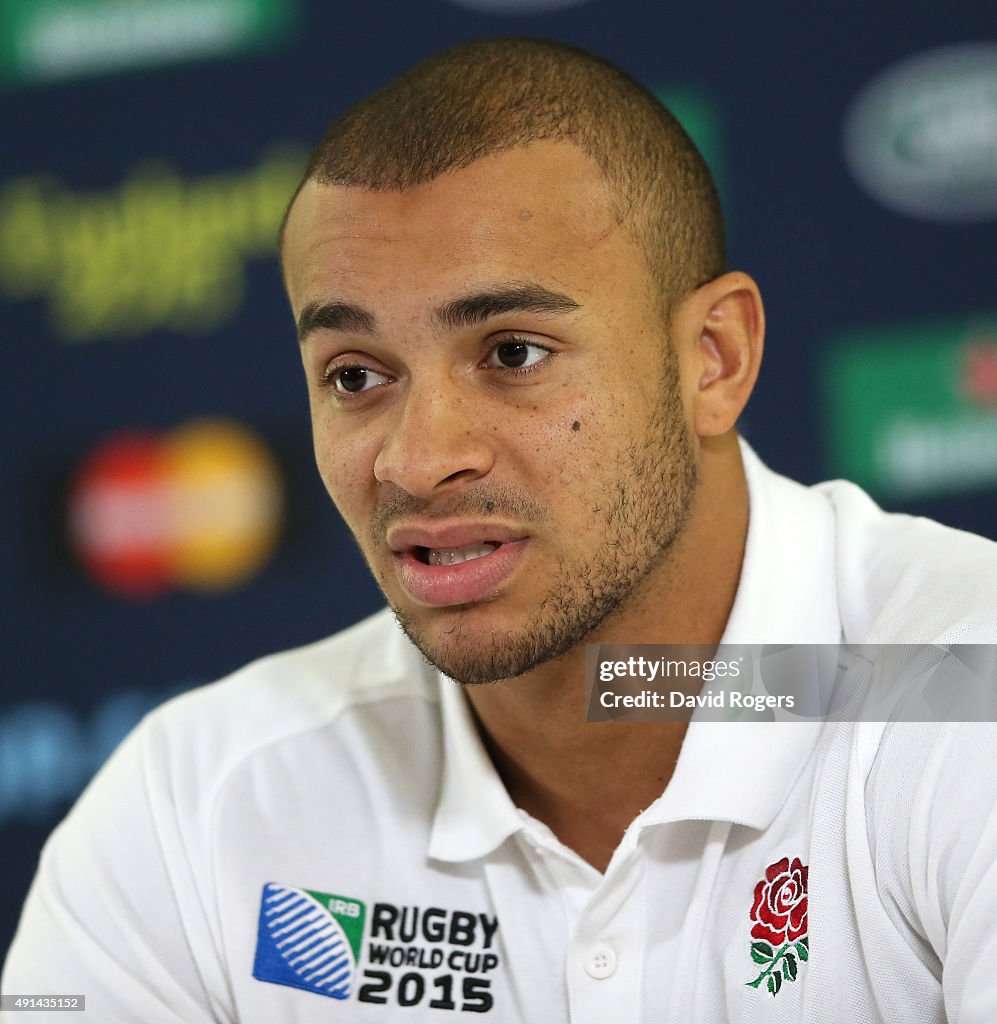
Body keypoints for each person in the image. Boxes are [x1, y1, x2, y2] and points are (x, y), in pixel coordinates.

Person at [4, 37, 997, 1023]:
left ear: (713, 359)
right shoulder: (192, 808)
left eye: (512, 352)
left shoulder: (960, 689)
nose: (416, 458)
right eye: (356, 375)